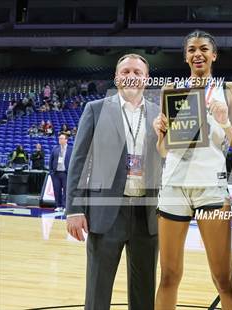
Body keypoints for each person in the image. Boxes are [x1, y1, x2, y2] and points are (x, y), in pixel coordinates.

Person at [153, 30, 232, 309]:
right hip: (173, 186)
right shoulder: (171, 90)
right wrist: (160, 135)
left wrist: (226, 122)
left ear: (214, 55)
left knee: (223, 277)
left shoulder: (229, 90)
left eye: (204, 48)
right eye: (191, 49)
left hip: (211, 188)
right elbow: (164, 151)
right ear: (186, 56)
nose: (197, 54)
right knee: (168, 275)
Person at [66, 53, 161, 310]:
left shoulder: (159, 114)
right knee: (98, 289)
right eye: (126, 71)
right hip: (106, 211)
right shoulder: (95, 109)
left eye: (137, 72)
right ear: (117, 77)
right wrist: (74, 209)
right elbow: (78, 161)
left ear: (146, 79)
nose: (131, 76)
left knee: (145, 292)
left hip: (148, 213)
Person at [49, 133, 72, 212]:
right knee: (57, 190)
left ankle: (65, 206)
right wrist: (51, 172)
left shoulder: (71, 149)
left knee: (66, 190)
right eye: (59, 138)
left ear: (66, 140)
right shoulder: (55, 148)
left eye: (61, 138)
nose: (60, 140)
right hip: (56, 173)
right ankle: (58, 206)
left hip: (65, 173)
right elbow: (51, 160)